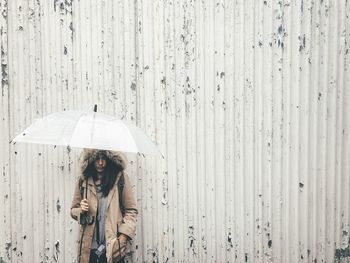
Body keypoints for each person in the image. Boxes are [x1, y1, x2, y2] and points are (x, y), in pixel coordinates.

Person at [71, 149, 138, 263]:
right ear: (91, 160)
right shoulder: (83, 180)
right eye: (97, 158)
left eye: (104, 159)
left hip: (112, 246)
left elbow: (131, 210)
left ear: (110, 160)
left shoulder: (120, 179)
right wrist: (80, 210)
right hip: (89, 249)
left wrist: (123, 237)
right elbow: (73, 210)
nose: (100, 163)